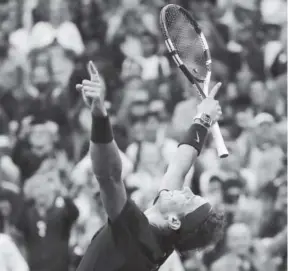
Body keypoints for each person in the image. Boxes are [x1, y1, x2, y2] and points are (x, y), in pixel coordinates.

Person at [75, 61, 225, 271]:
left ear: (174, 221)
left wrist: (99, 115)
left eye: (189, 199)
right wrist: (204, 118)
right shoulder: (161, 237)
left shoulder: (137, 239)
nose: (187, 189)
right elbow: (179, 166)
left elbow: (109, 176)